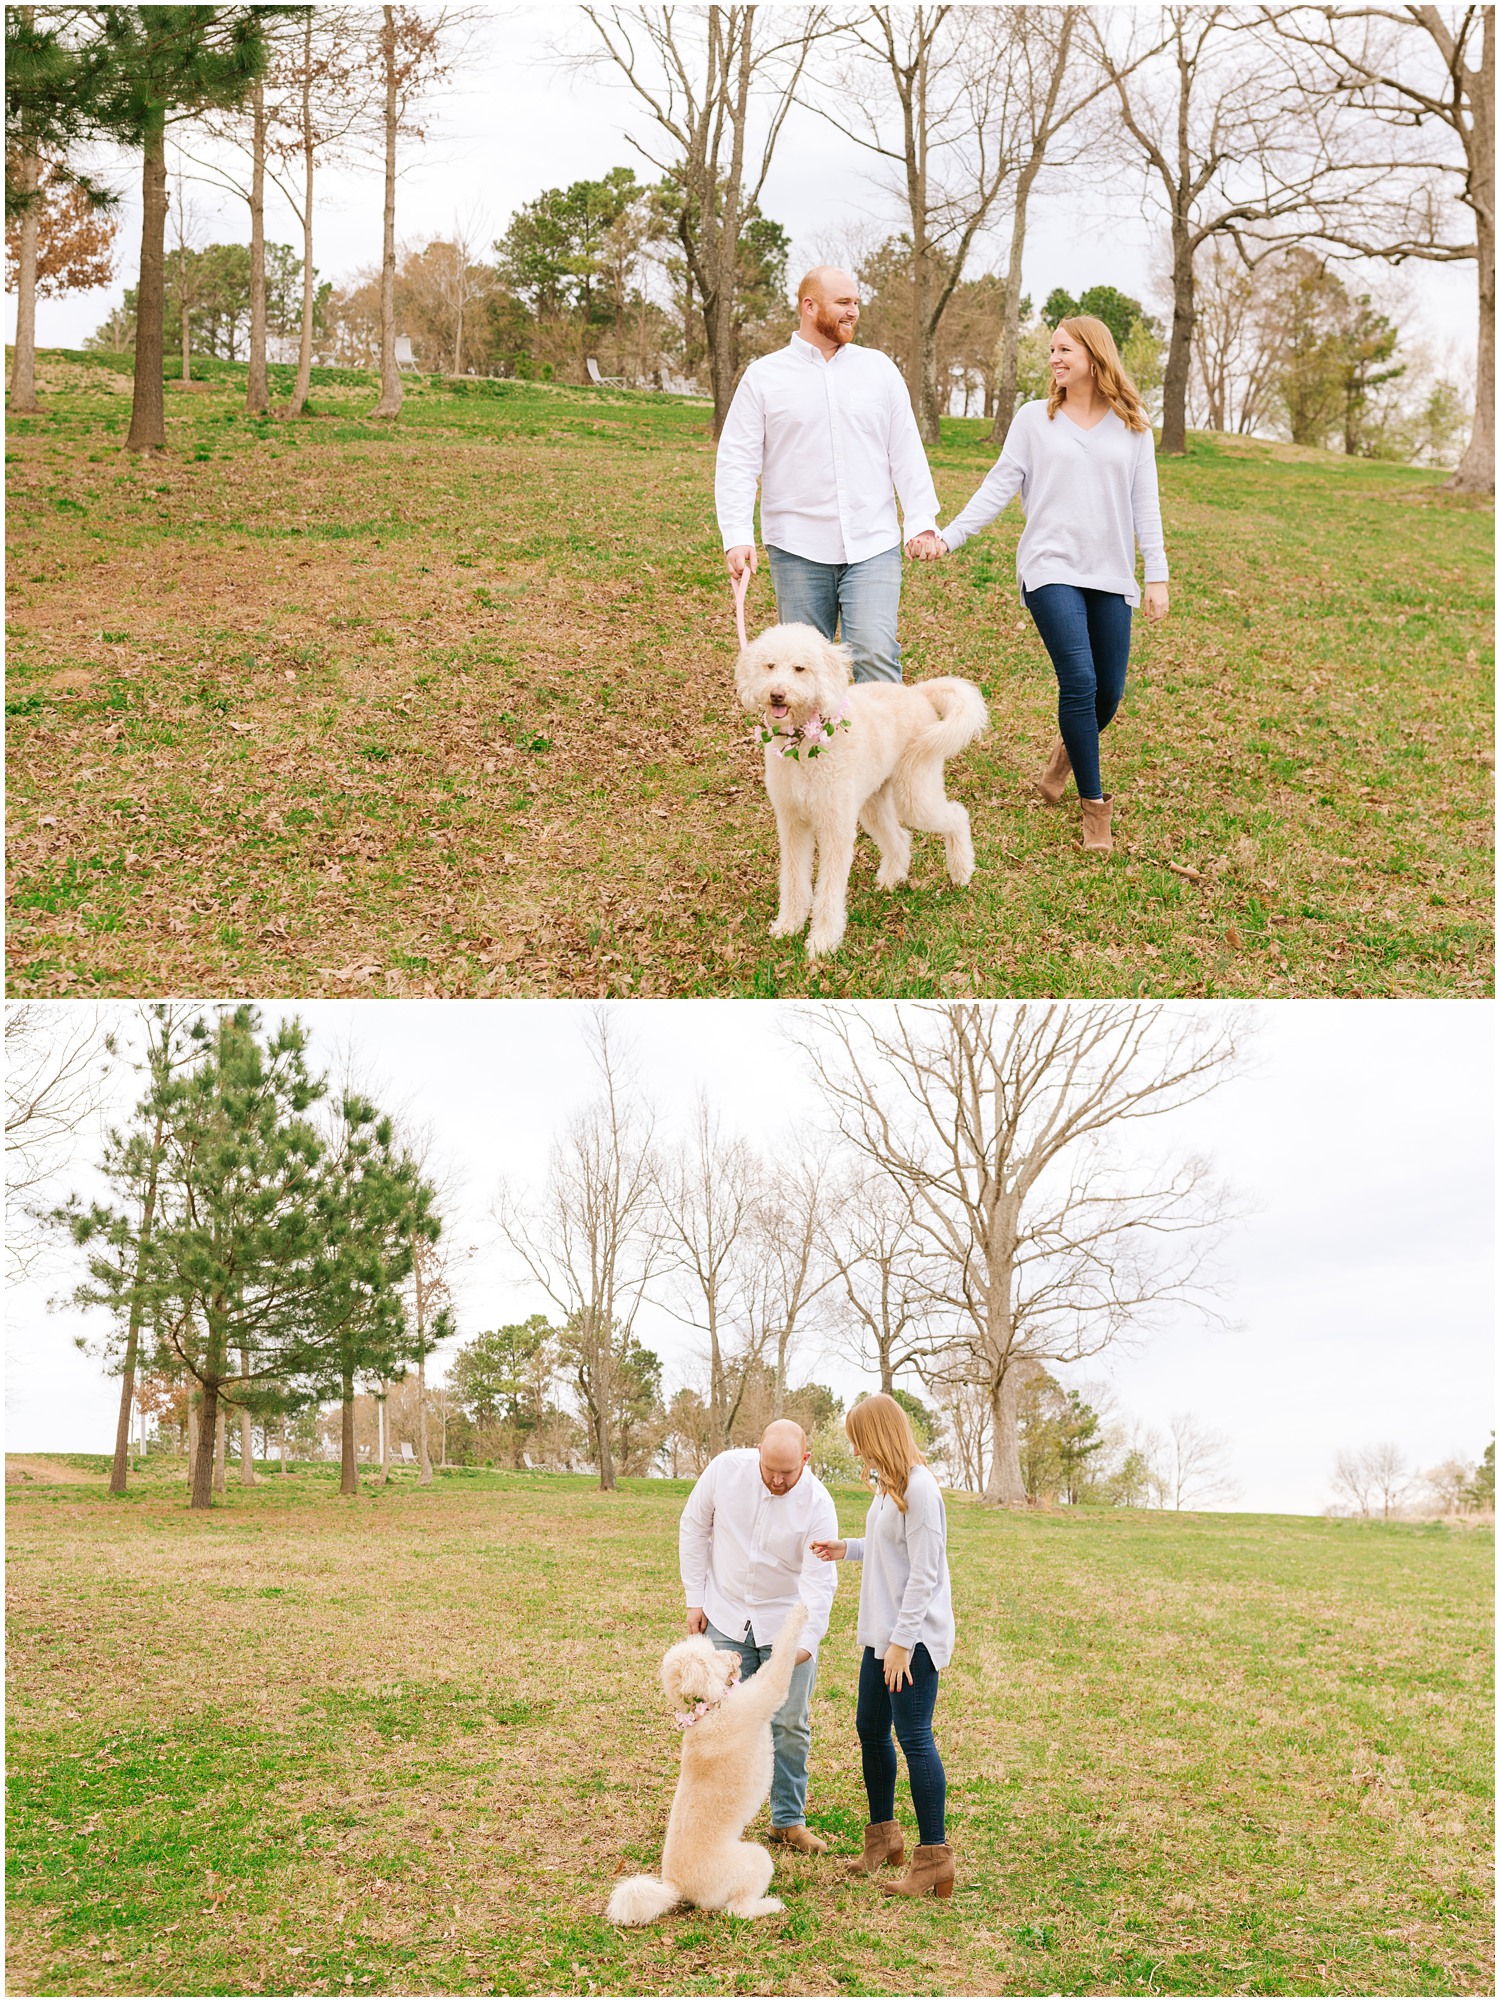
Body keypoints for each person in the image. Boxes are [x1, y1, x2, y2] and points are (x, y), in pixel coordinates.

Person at [922, 314, 1170, 856]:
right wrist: (950, 537)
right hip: (1049, 567)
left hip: (1109, 572)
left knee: (1110, 692)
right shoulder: (1035, 419)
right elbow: (998, 485)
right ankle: (1095, 808)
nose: (1054, 359)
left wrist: (1157, 572)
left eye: (1064, 350)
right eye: (1052, 351)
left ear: (1094, 355)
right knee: (1079, 682)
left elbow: (1144, 504)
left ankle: (1065, 755)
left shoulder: (1133, 424)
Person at [715, 266, 943, 685]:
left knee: (875, 654)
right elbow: (737, 460)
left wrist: (921, 522)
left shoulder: (879, 370)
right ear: (809, 306)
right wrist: (736, 534)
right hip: (797, 546)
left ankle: (880, 751)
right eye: (843, 303)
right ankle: (811, 752)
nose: (853, 311)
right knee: (803, 673)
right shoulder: (764, 376)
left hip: (872, 542)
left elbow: (906, 451)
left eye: (856, 302)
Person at [811, 1392, 956, 1900]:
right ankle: (883, 1840)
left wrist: (902, 1643)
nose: (857, 1453)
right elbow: (891, 1549)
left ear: (878, 1435)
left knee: (914, 1737)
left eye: (859, 1442)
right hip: (882, 1636)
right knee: (870, 1729)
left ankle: (934, 1860)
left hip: (909, 1641)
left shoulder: (920, 1489)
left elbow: (925, 1572)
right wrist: (846, 1549)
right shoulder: (890, 1488)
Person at [678, 1419, 839, 1854]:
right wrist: (697, 1599)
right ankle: (711, 1818)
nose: (777, 1479)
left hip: (783, 1622)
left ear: (806, 1460)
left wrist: (804, 1642)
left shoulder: (818, 1505)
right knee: (715, 1720)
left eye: (788, 1472)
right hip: (726, 1613)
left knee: (789, 1723)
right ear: (758, 1452)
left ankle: (787, 1820)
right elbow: (694, 1526)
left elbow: (820, 1580)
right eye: (770, 1469)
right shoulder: (726, 1470)